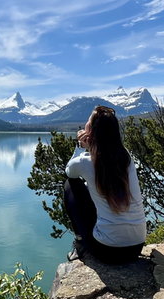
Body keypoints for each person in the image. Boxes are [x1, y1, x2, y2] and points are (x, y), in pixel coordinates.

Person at [63, 105, 146, 264]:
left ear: (91, 131)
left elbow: (69, 172)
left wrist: (80, 148)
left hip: (107, 251)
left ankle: (80, 242)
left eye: (88, 122)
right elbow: (105, 157)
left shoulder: (84, 162)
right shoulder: (126, 157)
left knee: (70, 184)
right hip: (136, 247)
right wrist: (91, 147)